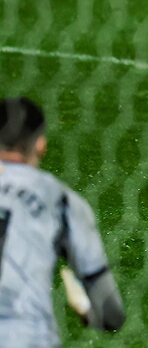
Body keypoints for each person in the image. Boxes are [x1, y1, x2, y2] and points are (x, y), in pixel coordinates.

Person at [0, 97, 125, 347]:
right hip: (27, 336)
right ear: (41, 145)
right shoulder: (62, 201)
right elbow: (110, 314)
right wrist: (87, 311)